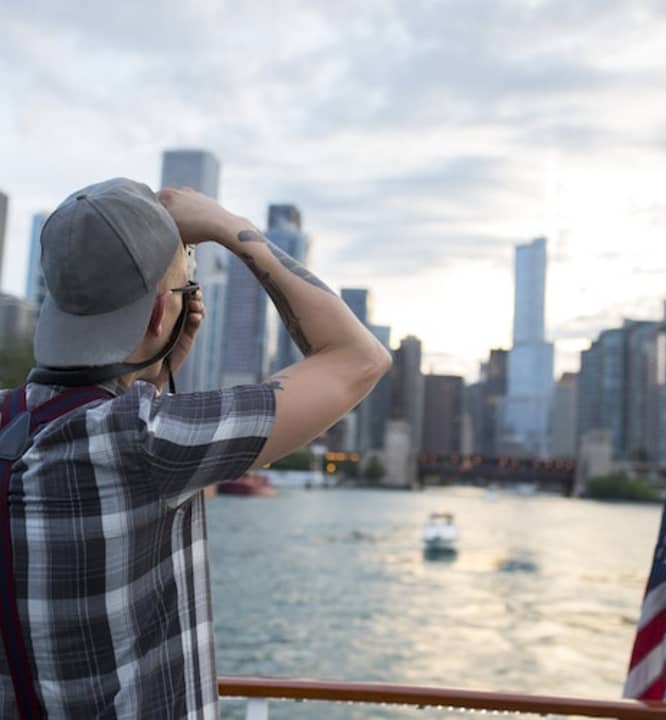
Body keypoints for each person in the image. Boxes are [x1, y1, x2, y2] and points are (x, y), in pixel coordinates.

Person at [0, 178, 391, 719]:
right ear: (163, 314)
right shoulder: (148, 443)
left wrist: (156, 375)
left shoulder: (13, 420)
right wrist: (229, 226)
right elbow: (358, 358)